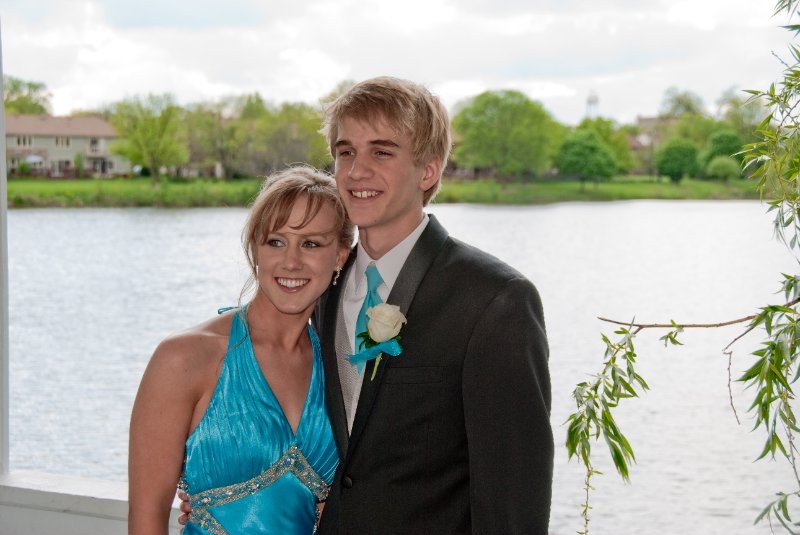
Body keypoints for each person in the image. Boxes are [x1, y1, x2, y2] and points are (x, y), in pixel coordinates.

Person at [182, 76, 553, 533]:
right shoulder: (318, 291)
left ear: (428, 171)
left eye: (381, 152)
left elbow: (514, 499)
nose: (356, 171)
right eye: (345, 152)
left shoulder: (494, 301)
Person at [128, 166, 353, 534]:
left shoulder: (341, 367)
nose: (291, 262)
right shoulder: (185, 359)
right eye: (275, 242)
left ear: (341, 255)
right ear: (255, 250)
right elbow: (146, 520)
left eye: (311, 243)